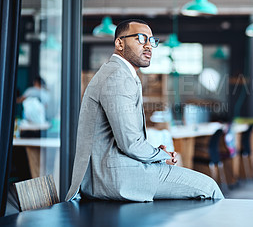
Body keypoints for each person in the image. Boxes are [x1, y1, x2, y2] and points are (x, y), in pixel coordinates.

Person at [66, 19, 224, 202]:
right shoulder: (117, 76)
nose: (149, 46)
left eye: (152, 40)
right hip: (118, 178)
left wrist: (157, 154)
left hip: (119, 171)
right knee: (209, 188)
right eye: (141, 39)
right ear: (119, 43)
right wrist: (161, 155)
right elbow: (130, 143)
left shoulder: (120, 74)